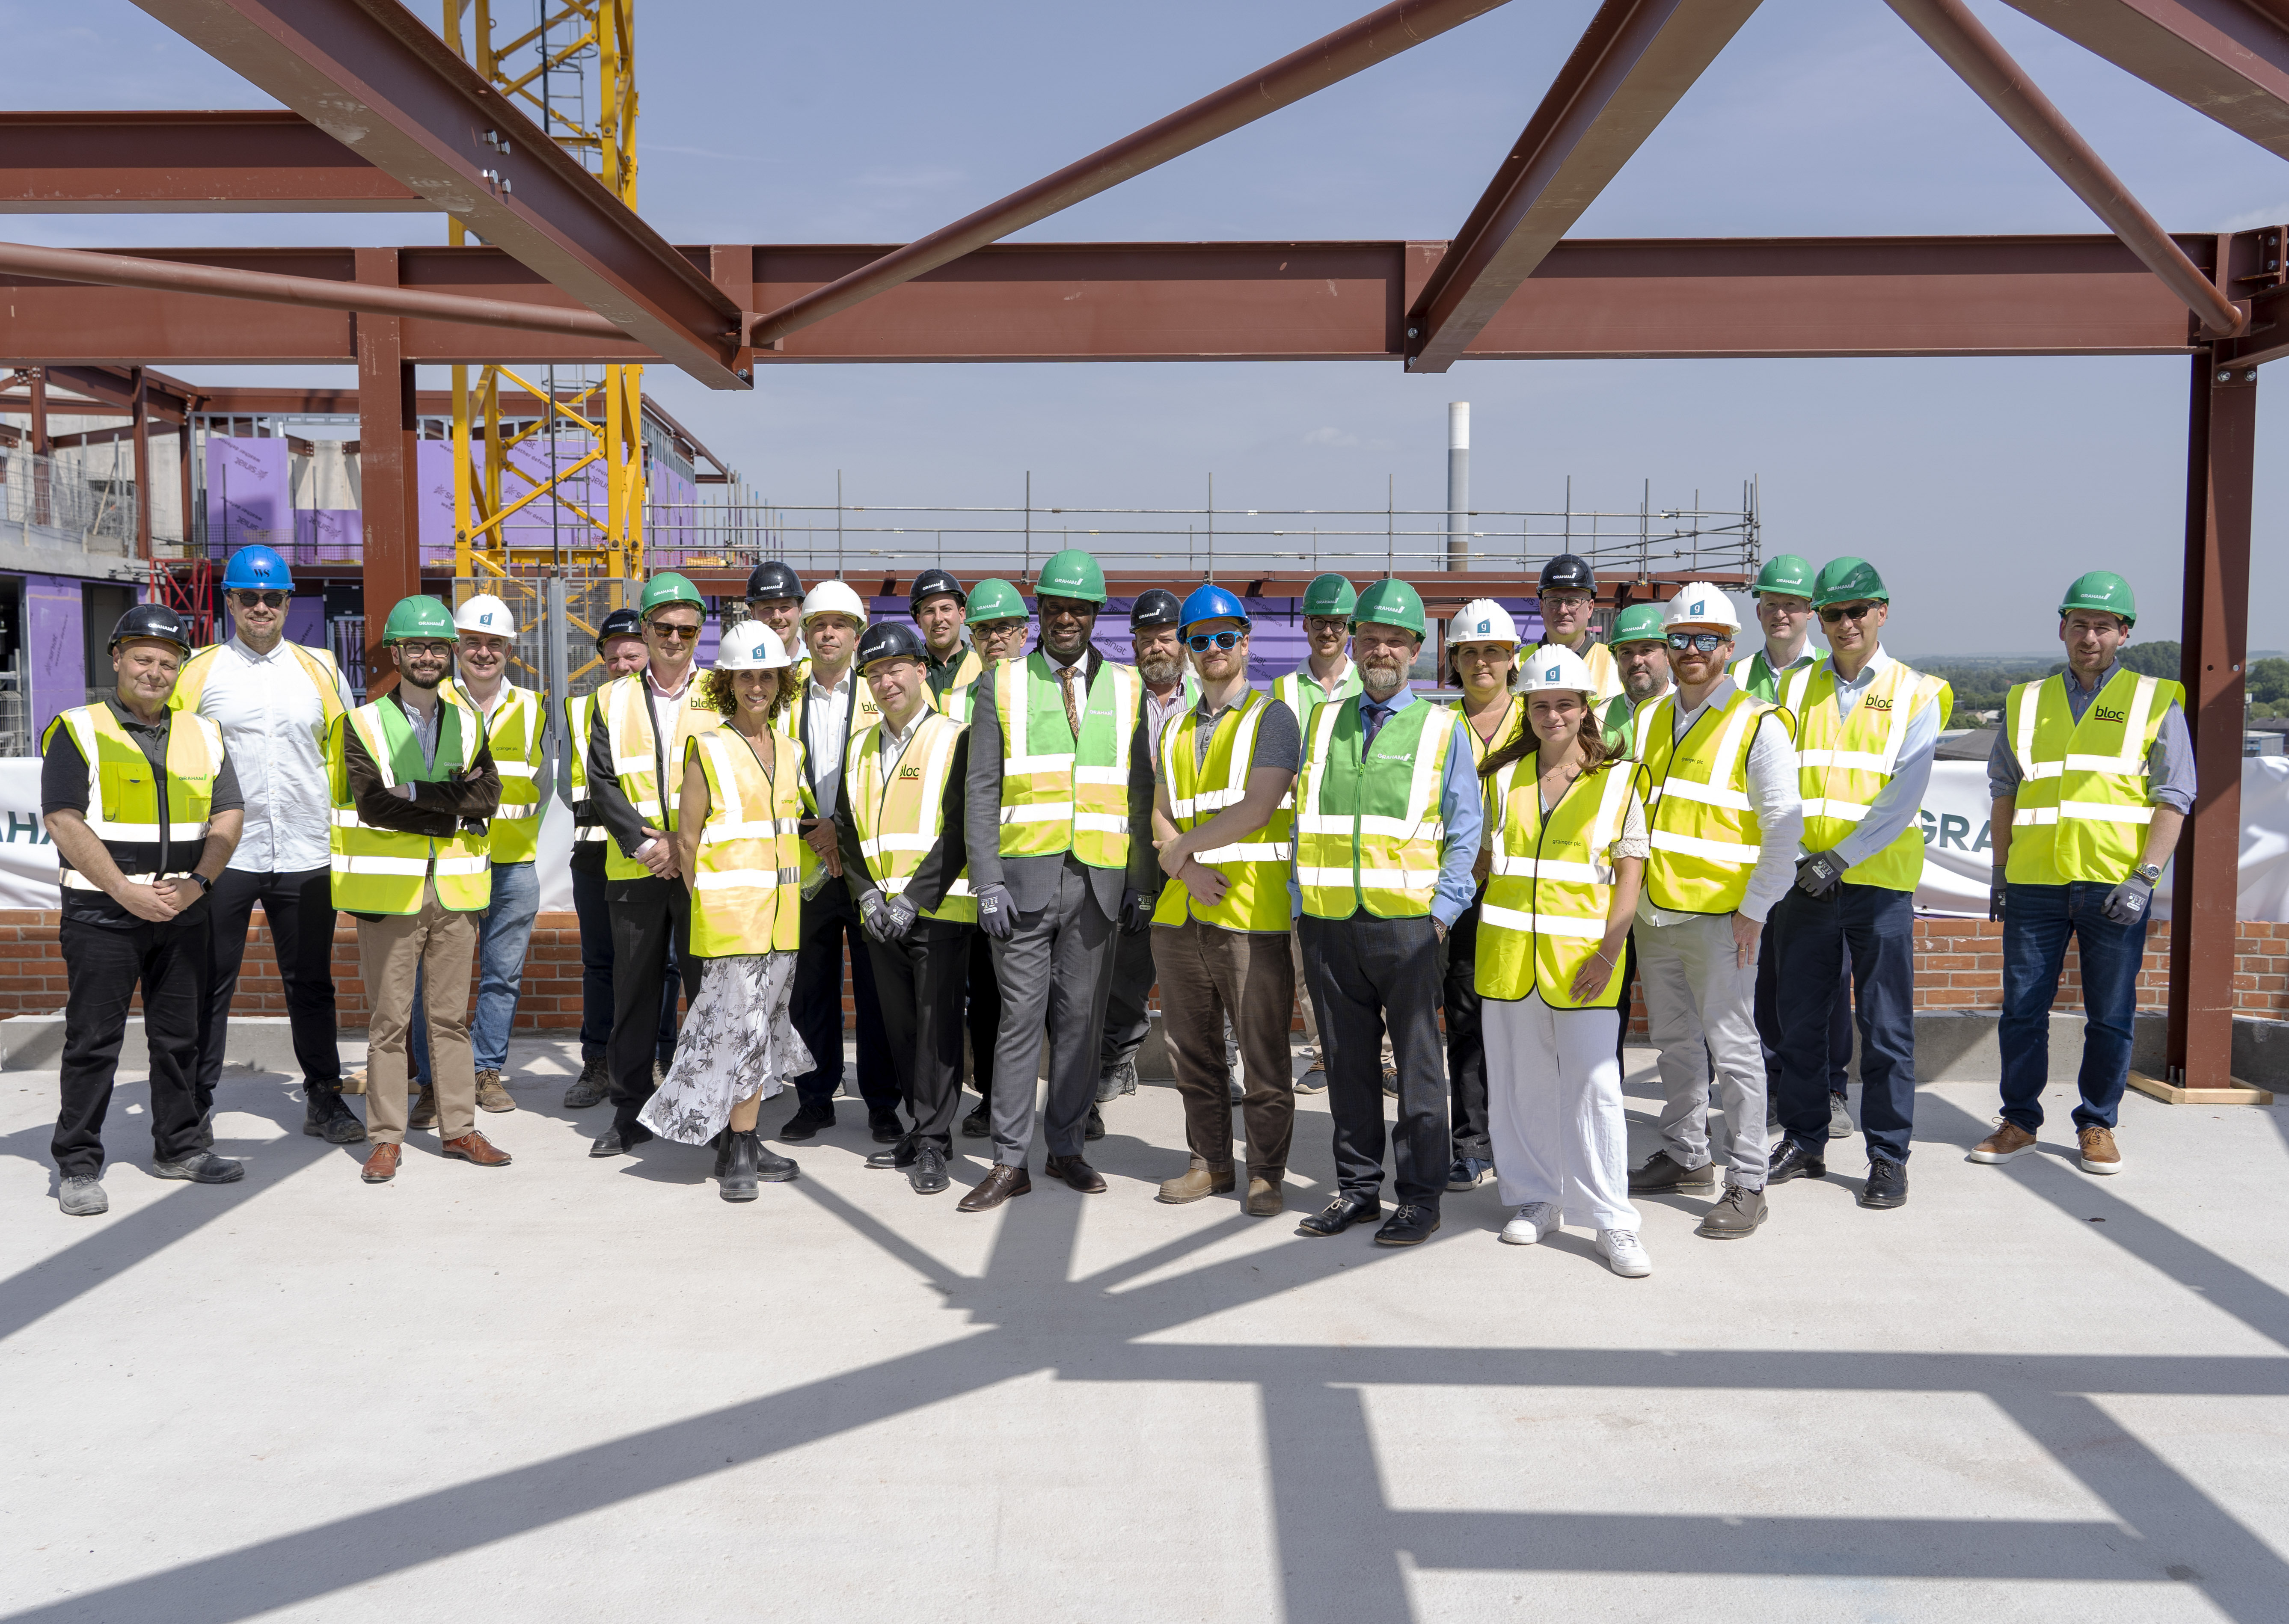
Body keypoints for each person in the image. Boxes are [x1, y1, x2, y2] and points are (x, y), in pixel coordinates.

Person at [1975, 571, 2191, 1177]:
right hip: (2035, 883)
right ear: (2062, 629)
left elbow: (2174, 797)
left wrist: (2145, 876)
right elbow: (2004, 791)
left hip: (2113, 886)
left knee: (2111, 1013)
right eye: (2079, 624)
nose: (2089, 636)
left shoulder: (2156, 700)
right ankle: (2018, 1120)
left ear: (2123, 634)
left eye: (2103, 626)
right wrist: (1999, 870)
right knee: (2021, 1010)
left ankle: (2097, 1123)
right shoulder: (2026, 701)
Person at [959, 546, 1155, 1212]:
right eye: (1054, 607)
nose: (1066, 617)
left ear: (1096, 614)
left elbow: (1136, 792)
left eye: (1078, 607)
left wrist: (1141, 882)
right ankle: (1008, 1160)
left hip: (1099, 883)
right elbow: (980, 789)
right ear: (1037, 612)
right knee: (1019, 1020)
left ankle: (1066, 1147)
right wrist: (985, 880)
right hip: (1021, 885)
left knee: (1080, 1023)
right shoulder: (1003, 683)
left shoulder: (1126, 688)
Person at [1291, 578, 1482, 1247]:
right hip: (1326, 921)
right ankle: (1358, 1190)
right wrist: (1299, 904)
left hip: (1406, 928)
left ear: (1415, 651)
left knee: (1419, 1070)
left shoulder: (1440, 728)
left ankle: (1421, 1198)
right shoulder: (1322, 720)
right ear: (1352, 640)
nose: (1381, 650)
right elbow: (1302, 819)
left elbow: (1467, 832)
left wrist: (1441, 914)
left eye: (1396, 641)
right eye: (1370, 637)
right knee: (1346, 1066)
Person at [42, 604, 246, 1216]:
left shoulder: (203, 733)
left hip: (184, 912)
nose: (155, 672)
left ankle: (178, 1148)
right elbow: (63, 819)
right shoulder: (78, 728)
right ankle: (78, 1166)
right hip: (102, 915)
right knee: (94, 1042)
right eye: (143, 658)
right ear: (117, 659)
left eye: (168, 662)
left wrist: (198, 886)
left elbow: (229, 816)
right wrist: (124, 890)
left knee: (181, 1038)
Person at [1768, 558, 1951, 1209]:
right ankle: (1805, 1139)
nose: (1845, 624)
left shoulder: (1918, 692)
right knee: (1800, 1025)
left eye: (1856, 611)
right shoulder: (1794, 691)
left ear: (1882, 611)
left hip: (1875, 889)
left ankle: (1887, 1156)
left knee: (1885, 1028)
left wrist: (1837, 859)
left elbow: (1903, 797)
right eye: (1832, 614)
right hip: (1803, 886)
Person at [169, 543, 361, 1146]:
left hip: (306, 851)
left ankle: (324, 1099)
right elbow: (171, 760)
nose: (260, 607)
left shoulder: (321, 668)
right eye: (247, 597)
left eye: (271, 598)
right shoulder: (197, 671)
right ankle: (195, 1105)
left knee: (311, 983)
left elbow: (349, 754)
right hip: (224, 855)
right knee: (209, 981)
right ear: (229, 601)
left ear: (286, 603)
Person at [1626, 583, 1802, 1239]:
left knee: (1734, 1052)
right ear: (1666, 647)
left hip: (1723, 919)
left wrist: (1755, 910)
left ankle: (1748, 1180)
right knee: (1673, 1044)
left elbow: (1785, 826)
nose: (1691, 651)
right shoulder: (1647, 718)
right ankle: (1686, 1155)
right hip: (1657, 913)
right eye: (1679, 640)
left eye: (1706, 640)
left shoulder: (1759, 722)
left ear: (1730, 647)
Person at [1476, 646, 1652, 1277]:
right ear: (1526, 710)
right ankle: (1535, 1198)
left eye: (1566, 704)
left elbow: (1631, 870)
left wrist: (1610, 953)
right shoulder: (1500, 777)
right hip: (1508, 960)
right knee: (1521, 1089)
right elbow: (1481, 864)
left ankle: (1612, 1221)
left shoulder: (1621, 778)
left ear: (1586, 710)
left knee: (1596, 1090)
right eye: (1541, 704)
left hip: (1584, 963)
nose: (1553, 715)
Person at [330, 596, 508, 1184]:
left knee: (451, 1019)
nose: (428, 657)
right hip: (390, 897)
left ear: (448, 654)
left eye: (437, 648)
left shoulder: (469, 721)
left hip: (455, 891)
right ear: (396, 653)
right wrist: (446, 804)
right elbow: (374, 805)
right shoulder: (359, 725)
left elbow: (489, 798)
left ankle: (458, 1129)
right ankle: (386, 1137)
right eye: (416, 647)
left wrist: (415, 794)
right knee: (388, 1023)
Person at [636, 621, 808, 1200]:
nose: (756, 686)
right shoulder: (706, 747)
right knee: (738, 1033)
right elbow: (686, 845)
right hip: (733, 921)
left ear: (780, 682)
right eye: (745, 676)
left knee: (761, 1036)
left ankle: (748, 1139)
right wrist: (715, 906)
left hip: (783, 924)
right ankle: (736, 1150)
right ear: (728, 683)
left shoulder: (790, 750)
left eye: (767, 675)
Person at [1149, 586, 1300, 1216]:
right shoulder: (1176, 726)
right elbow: (1160, 810)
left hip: (1249, 913)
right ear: (1186, 651)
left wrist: (1176, 854)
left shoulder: (1273, 718)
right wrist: (1185, 874)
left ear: (1245, 641)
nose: (1213, 649)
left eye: (1224, 637)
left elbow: (1258, 807)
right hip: (1182, 914)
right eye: (1200, 640)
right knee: (1194, 1053)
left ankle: (1265, 1173)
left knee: (1262, 1055)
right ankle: (1208, 1163)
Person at [837, 622, 976, 1195]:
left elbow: (960, 830)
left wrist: (914, 901)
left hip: (938, 914)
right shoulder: (860, 747)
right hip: (880, 918)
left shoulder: (955, 737)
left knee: (936, 1032)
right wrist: (867, 894)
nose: (885, 681)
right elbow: (848, 833)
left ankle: (934, 1142)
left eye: (895, 668)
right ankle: (920, 1130)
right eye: (873, 673)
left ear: (922, 671)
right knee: (900, 1030)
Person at [584, 572, 717, 1158]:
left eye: (686, 628)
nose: (674, 637)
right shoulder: (609, 698)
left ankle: (712, 1113)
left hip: (701, 874)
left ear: (699, 632)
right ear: (645, 629)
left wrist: (683, 849)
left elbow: (733, 781)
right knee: (634, 998)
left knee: (709, 996)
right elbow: (604, 784)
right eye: (663, 627)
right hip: (636, 871)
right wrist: (647, 846)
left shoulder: (722, 693)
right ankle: (629, 1111)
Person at [404, 595, 546, 1119]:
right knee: (435, 976)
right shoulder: (429, 700)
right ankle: (431, 1082)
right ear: (456, 647)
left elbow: (542, 785)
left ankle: (485, 1071)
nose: (483, 652)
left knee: (502, 975)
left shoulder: (532, 706)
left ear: (509, 649)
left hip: (514, 864)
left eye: (494, 643)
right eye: (473, 642)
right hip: (451, 862)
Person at [1730, 554, 1853, 1142]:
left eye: (1794, 604)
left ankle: (1832, 1088)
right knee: (1768, 977)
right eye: (1771, 602)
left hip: (1818, 859)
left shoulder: (1830, 675)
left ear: (1813, 613)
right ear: (1757, 609)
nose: (1781, 613)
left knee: (1827, 981)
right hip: (1760, 855)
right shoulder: (1735, 678)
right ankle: (1779, 1086)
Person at [778, 580, 898, 1145]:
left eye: (839, 625)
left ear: (858, 631)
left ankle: (881, 1103)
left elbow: (895, 770)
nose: (828, 634)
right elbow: (770, 770)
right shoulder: (784, 692)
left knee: (878, 992)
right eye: (818, 625)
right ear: (806, 633)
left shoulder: (883, 688)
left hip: (865, 865)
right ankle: (815, 1098)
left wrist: (840, 830)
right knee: (811, 992)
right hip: (806, 864)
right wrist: (812, 830)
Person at [561, 608, 677, 1109]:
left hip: (654, 855)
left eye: (632, 655)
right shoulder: (585, 708)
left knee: (667, 967)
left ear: (648, 651)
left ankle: (663, 1057)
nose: (623, 665)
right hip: (596, 854)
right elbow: (584, 787)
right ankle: (599, 1061)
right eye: (613, 658)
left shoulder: (665, 704)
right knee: (601, 964)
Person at [1099, 586, 1196, 1112]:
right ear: (1133, 643)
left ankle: (1219, 1059)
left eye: (1165, 637)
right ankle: (1119, 1059)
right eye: (1145, 638)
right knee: (1127, 965)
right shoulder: (1116, 697)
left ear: (1181, 642)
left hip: (1197, 848)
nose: (1156, 647)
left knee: (1208, 961)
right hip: (1133, 852)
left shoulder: (1208, 698)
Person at [1443, 599, 1527, 1195]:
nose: (1481, 662)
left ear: (1511, 659)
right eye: (1469, 652)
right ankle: (1471, 1143)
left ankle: (1526, 1141)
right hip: (1463, 895)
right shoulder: (1437, 726)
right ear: (1453, 660)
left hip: (1528, 895)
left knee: (1527, 1021)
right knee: (1468, 1021)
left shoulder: (1543, 717)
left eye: (1492, 652)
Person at [1271, 572, 1364, 1094]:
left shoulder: (1369, 679)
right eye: (1318, 622)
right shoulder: (1284, 690)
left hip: (1361, 837)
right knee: (1306, 954)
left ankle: (1384, 1056)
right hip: (1303, 840)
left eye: (1336, 622)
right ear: (1304, 625)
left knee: (1367, 951)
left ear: (1349, 627)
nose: (1327, 631)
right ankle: (1323, 1053)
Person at [950, 577, 1030, 1137]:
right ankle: (991, 1097)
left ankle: (1075, 1102)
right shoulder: (957, 693)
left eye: (1003, 627)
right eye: (983, 629)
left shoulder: (1042, 687)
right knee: (984, 992)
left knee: (1042, 998)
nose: (994, 637)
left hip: (1034, 858)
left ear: (1023, 632)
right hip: (975, 863)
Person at [1526, 553, 1624, 708]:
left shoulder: (1617, 663)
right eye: (1554, 601)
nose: (1563, 610)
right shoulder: (1517, 665)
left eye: (1573, 601)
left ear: (1590, 608)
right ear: (1542, 608)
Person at [1601, 603, 1671, 755]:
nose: (1637, 661)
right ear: (1616, 659)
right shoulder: (1597, 717)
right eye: (1626, 652)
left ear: (1668, 655)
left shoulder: (1690, 713)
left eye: (1646, 650)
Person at [911, 568, 983, 700]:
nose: (938, 619)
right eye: (930, 611)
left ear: (962, 615)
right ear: (919, 620)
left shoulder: (985, 668)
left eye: (946, 609)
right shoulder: (907, 674)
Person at [744, 560, 807, 678]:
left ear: (800, 609)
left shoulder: (819, 666)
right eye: (767, 608)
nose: (777, 617)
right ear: (753, 613)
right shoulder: (740, 666)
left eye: (785, 607)